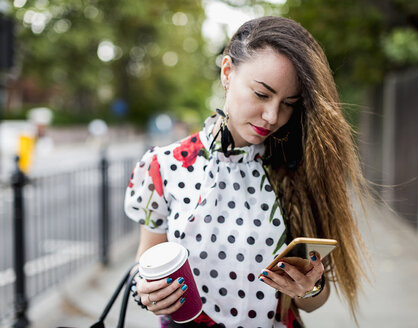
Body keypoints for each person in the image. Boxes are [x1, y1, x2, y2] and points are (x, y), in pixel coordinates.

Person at [124, 15, 368, 328]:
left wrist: (310, 286)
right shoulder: (163, 166)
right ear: (227, 72)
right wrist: (144, 291)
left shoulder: (297, 168)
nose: (272, 116)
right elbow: (143, 264)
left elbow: (315, 300)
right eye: (262, 94)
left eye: (289, 103)